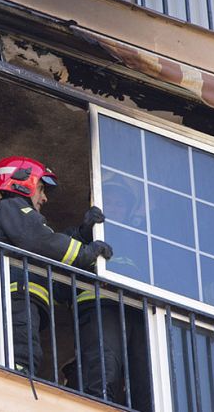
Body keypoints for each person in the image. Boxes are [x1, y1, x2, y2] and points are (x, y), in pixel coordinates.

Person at [0, 156, 113, 373]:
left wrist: (83, 234)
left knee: (27, 358)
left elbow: (50, 258)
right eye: (41, 189)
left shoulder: (16, 223)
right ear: (22, 182)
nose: (44, 198)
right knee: (19, 360)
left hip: (20, 299)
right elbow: (42, 241)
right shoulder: (8, 207)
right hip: (12, 300)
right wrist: (84, 253)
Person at [73, 175, 151, 411]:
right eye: (109, 203)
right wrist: (86, 233)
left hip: (137, 311)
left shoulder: (140, 240)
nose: (115, 208)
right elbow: (63, 258)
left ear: (128, 210)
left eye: (120, 204)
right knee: (105, 366)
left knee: (145, 375)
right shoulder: (80, 235)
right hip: (100, 307)